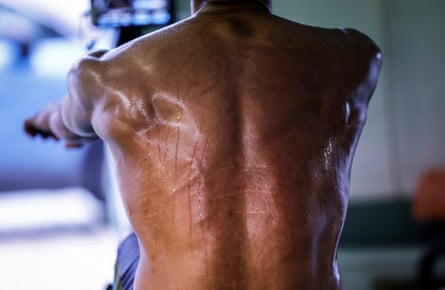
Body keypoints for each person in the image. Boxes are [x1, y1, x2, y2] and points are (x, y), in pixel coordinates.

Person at [24, 0, 382, 289]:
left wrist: (44, 120)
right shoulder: (353, 58)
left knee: (131, 243)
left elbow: (65, 124)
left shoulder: (104, 76)